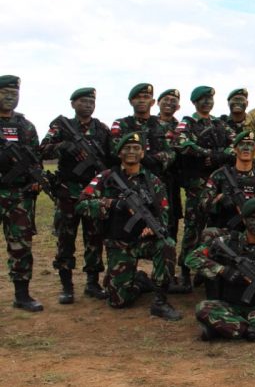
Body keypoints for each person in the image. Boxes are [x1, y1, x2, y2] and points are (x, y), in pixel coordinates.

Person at [76, 132, 182, 320]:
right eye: (127, 148)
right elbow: (82, 204)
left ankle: (160, 301)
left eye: (136, 148)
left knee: (167, 244)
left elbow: (164, 211)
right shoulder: (106, 177)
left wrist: (155, 226)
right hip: (118, 243)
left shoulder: (153, 181)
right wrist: (112, 204)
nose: (131, 151)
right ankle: (139, 281)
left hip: (144, 241)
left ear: (142, 153)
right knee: (118, 302)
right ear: (119, 153)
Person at [187, 197, 255, 342]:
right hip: (230, 306)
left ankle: (225, 328)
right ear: (244, 220)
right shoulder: (228, 241)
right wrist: (222, 270)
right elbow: (191, 258)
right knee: (203, 308)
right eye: (253, 218)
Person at [40, 87, 112, 303]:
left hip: (93, 193)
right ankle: (67, 286)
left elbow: (110, 158)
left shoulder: (102, 129)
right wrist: (64, 146)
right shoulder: (62, 126)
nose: (88, 104)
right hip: (68, 191)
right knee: (65, 238)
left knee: (94, 238)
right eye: (83, 101)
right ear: (73, 104)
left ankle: (92, 283)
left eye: (91, 101)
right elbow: (42, 149)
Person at [174, 86, 235, 291]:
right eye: (203, 99)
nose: (207, 102)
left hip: (219, 183)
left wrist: (220, 154)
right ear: (195, 102)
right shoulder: (188, 122)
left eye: (210, 98)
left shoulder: (219, 124)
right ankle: (184, 271)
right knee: (193, 228)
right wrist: (206, 152)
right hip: (196, 185)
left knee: (215, 227)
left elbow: (235, 142)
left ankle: (207, 270)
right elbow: (181, 143)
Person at [0, 74, 44, 311]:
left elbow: (36, 157)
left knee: (21, 246)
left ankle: (22, 295)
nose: (10, 97)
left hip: (19, 196)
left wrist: (36, 179)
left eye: (14, 93)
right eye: (5, 92)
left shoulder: (26, 126)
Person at [199, 131, 255, 232]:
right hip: (225, 231)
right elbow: (202, 205)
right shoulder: (219, 175)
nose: (246, 148)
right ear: (234, 149)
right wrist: (220, 200)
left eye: (250, 145)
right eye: (242, 145)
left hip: (254, 231)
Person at [110, 83, 175, 180]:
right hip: (127, 178)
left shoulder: (164, 126)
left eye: (146, 97)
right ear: (131, 102)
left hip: (157, 179)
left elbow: (171, 152)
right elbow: (114, 150)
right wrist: (139, 157)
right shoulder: (121, 124)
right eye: (137, 97)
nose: (141, 100)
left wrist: (155, 158)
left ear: (152, 102)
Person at [155, 88, 183, 246]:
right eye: (165, 99)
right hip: (149, 179)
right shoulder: (149, 124)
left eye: (174, 101)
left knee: (171, 219)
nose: (169, 103)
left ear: (178, 107)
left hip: (172, 181)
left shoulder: (181, 128)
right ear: (158, 103)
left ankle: (169, 258)